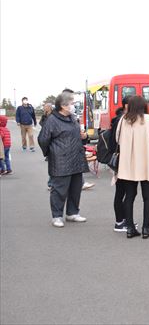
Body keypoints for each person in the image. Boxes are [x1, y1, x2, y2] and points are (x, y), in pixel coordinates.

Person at [38, 91, 89, 228]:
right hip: (60, 160)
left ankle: (72, 213)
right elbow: (43, 139)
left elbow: (77, 134)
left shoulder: (72, 118)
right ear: (63, 105)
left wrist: (83, 137)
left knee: (75, 188)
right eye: (72, 103)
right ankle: (57, 216)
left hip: (76, 159)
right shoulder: (52, 120)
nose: (73, 106)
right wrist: (52, 153)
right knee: (59, 189)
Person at [115, 95, 149, 239]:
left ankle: (129, 228)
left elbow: (117, 138)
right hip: (146, 161)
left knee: (129, 196)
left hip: (128, 163)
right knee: (148, 197)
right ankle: (145, 228)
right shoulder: (148, 119)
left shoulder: (123, 120)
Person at [109, 95, 134, 232]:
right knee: (122, 192)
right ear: (126, 106)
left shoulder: (120, 119)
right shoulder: (121, 120)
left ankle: (124, 220)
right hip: (122, 160)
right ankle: (120, 221)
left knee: (123, 192)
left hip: (121, 160)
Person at [40, 102, 53, 188]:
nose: (45, 108)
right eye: (44, 107)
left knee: (55, 166)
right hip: (46, 136)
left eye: (46, 107)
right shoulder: (44, 115)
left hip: (52, 137)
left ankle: (51, 184)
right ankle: (50, 184)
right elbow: (41, 123)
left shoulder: (53, 115)